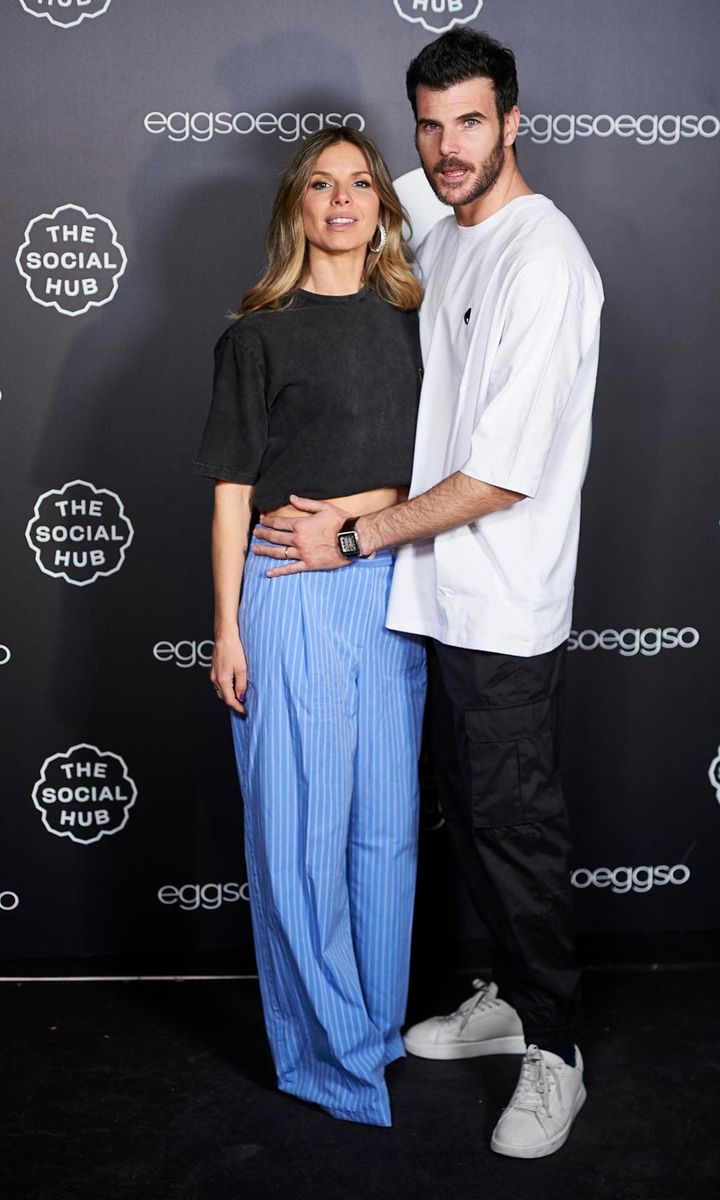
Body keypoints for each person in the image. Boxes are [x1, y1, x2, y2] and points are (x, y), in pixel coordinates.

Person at [252, 29, 604, 1159]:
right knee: (460, 823)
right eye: (430, 124)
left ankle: (556, 1051)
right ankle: (500, 993)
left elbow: (498, 476)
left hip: (499, 605)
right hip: (425, 602)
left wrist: (350, 532)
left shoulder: (543, 261)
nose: (447, 149)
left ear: (515, 121)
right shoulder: (440, 219)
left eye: (471, 122)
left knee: (514, 827)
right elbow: (342, 201)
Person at [192, 127, 426, 1128]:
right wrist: (227, 629)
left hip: (395, 585)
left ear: (382, 204)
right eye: (322, 185)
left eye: (360, 183)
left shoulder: (422, 324)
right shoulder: (258, 334)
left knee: (385, 837)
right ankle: (328, 1060)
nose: (342, 201)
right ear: (297, 205)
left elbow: (445, 475)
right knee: (299, 840)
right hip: (285, 589)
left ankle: (372, 1035)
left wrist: (356, 515)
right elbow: (231, 495)